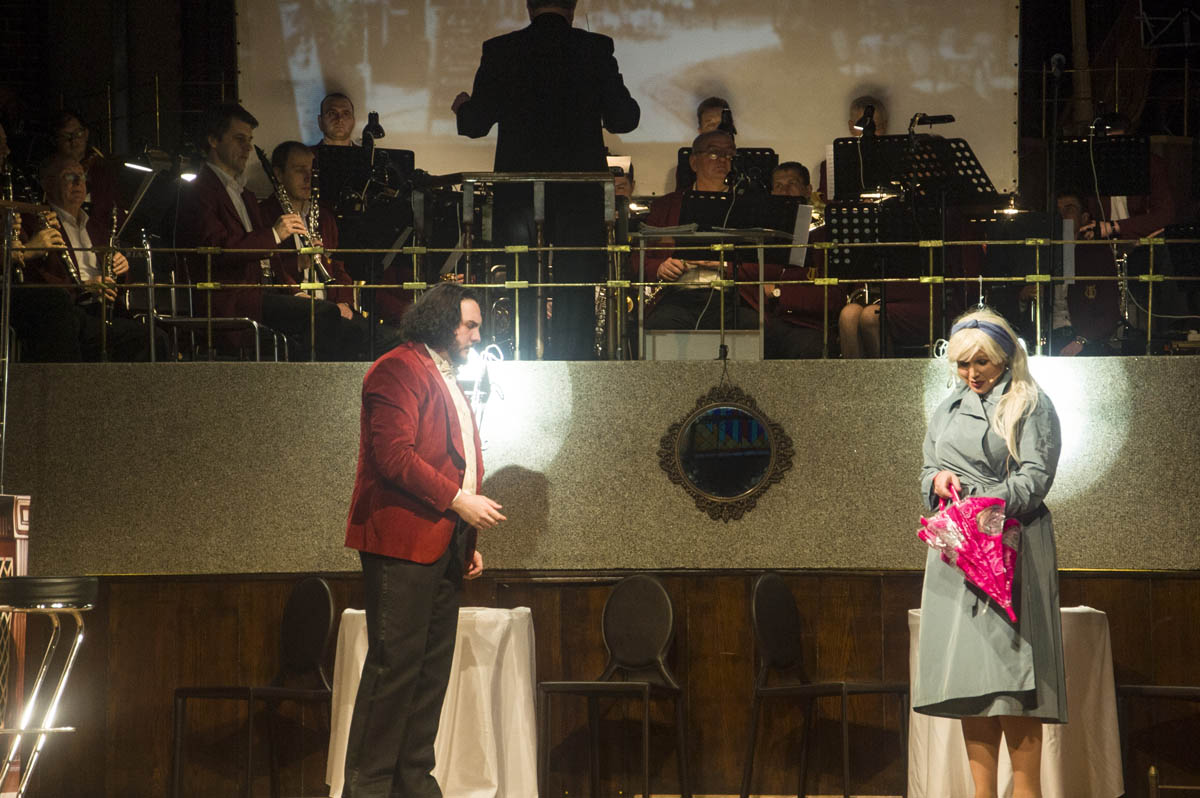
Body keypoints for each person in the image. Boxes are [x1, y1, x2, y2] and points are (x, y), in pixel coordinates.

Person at [342, 282, 506, 798]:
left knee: (430, 674)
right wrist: (459, 503)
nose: (477, 336)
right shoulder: (396, 369)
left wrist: (464, 537)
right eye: (470, 325)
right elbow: (394, 457)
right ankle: (368, 789)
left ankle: (413, 782)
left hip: (442, 543)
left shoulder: (444, 374)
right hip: (401, 542)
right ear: (441, 321)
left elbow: (455, 458)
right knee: (394, 670)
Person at [915, 308, 1067, 798]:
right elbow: (928, 468)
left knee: (1013, 679)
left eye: (981, 362)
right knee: (970, 681)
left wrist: (983, 504)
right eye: (963, 364)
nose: (972, 373)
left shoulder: (1030, 404)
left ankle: (1027, 791)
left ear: (1004, 357)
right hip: (957, 552)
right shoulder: (949, 407)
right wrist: (938, 481)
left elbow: (1035, 480)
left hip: (1009, 545)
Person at [452, 0, 640, 360]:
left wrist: (462, 106)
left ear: (529, 7)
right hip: (579, 191)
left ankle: (524, 361)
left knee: (521, 283)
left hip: (520, 192)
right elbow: (624, 119)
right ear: (572, 8)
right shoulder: (596, 49)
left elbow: (475, 124)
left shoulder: (501, 50)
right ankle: (575, 366)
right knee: (576, 286)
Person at [175, 103, 355, 359]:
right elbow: (216, 249)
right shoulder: (199, 191)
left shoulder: (245, 194)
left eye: (249, 140)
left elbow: (270, 259)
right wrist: (275, 234)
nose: (247, 148)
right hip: (231, 299)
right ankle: (306, 380)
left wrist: (294, 290)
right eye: (239, 139)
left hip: (260, 294)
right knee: (324, 314)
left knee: (353, 330)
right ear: (213, 140)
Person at [260, 140, 403, 359]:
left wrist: (343, 302)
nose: (308, 178)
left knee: (394, 340)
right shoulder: (264, 215)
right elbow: (266, 269)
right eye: (299, 170)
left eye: (311, 171)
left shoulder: (324, 217)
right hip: (296, 310)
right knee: (351, 339)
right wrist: (299, 264)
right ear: (279, 174)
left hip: (331, 309)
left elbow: (339, 269)